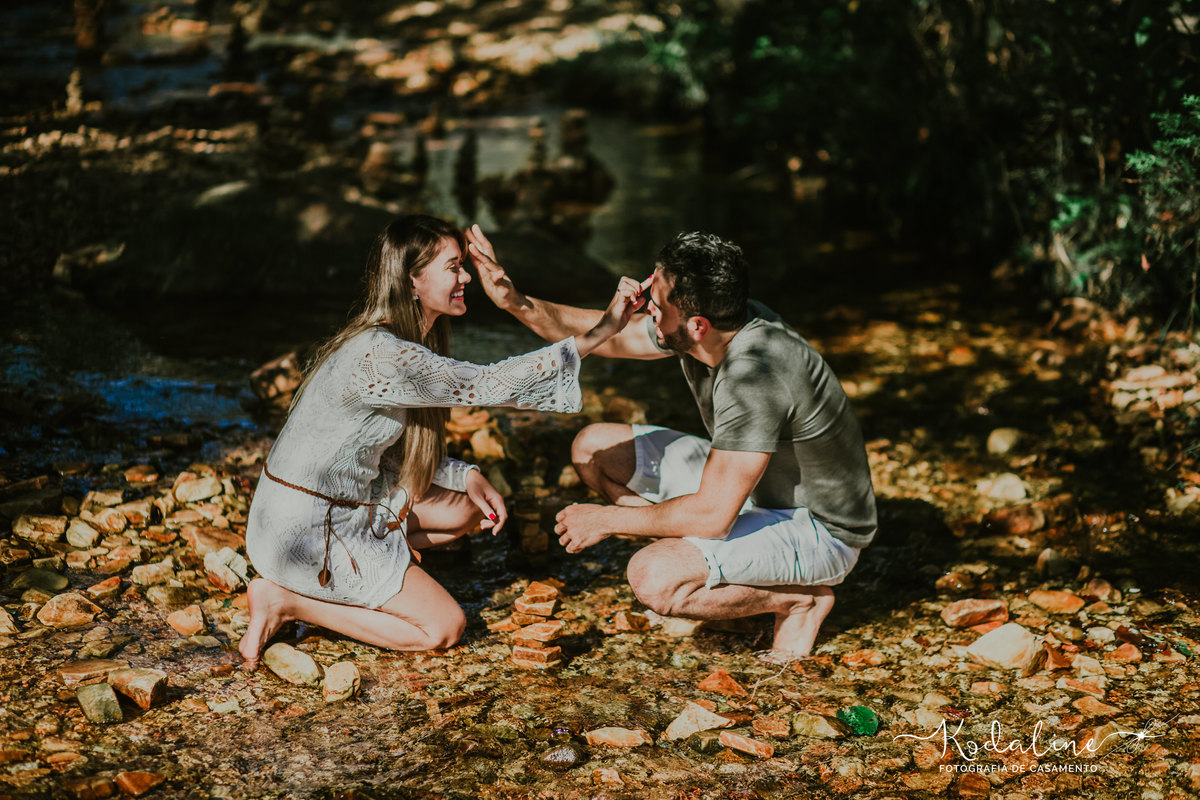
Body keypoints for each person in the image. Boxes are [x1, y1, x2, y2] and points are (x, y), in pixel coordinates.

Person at [239, 215, 646, 669]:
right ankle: (286, 601)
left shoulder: (390, 337)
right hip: (304, 534)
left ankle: (361, 568)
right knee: (443, 628)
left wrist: (466, 473)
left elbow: (381, 450)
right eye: (454, 267)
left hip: (311, 509)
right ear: (413, 280)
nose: (466, 277)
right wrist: (605, 328)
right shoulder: (388, 356)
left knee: (468, 507)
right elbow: (493, 384)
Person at [466, 225, 877, 659]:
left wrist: (607, 520)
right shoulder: (719, 322)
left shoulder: (754, 374)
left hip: (818, 529)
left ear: (697, 324)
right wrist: (516, 302)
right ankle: (700, 556)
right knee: (594, 448)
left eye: (654, 303)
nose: (644, 305)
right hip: (751, 488)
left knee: (653, 576)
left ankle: (800, 600)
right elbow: (609, 336)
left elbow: (714, 515)